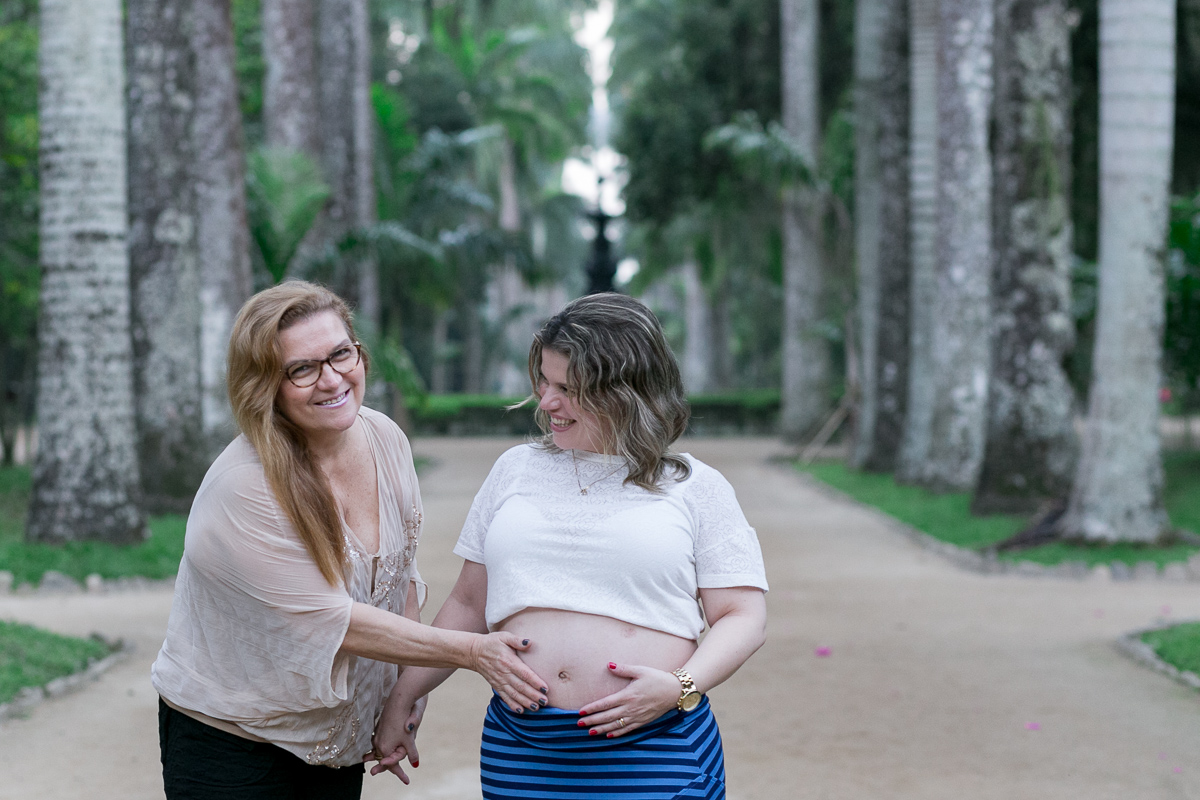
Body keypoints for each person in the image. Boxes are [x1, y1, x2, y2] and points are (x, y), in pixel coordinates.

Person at [151, 281, 548, 799]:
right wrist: (473, 651)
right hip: (233, 745)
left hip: (335, 745)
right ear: (265, 385)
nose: (332, 379)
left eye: (341, 354)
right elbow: (335, 623)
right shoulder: (245, 487)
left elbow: (398, 576)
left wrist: (408, 690)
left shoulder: (384, 438)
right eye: (302, 369)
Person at [373, 293, 768, 799]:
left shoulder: (694, 486)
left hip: (654, 744)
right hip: (523, 747)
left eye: (568, 389)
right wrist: (404, 697)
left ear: (627, 391)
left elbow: (742, 616)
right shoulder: (514, 470)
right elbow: (469, 604)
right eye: (544, 381)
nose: (546, 402)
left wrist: (680, 688)